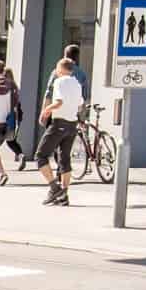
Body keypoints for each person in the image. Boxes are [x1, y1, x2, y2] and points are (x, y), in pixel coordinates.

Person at [36, 56, 85, 206]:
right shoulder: (77, 83)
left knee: (41, 156)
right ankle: (64, 195)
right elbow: (81, 104)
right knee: (64, 159)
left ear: (61, 69)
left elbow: (58, 102)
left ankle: (54, 188)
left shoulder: (59, 81)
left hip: (59, 123)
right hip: (72, 124)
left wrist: (46, 110)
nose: (56, 71)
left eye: (57, 68)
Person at [1, 68, 27, 166]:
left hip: (5, 116)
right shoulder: (14, 87)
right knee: (11, 140)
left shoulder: (3, 87)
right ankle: (20, 155)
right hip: (15, 116)